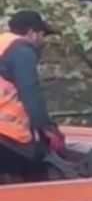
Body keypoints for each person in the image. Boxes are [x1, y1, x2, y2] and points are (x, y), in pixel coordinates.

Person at [0, 11, 67, 179]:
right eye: (42, 35)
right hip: (7, 134)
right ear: (32, 32)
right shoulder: (22, 50)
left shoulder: (3, 45)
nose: (42, 41)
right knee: (39, 172)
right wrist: (47, 128)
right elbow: (30, 90)